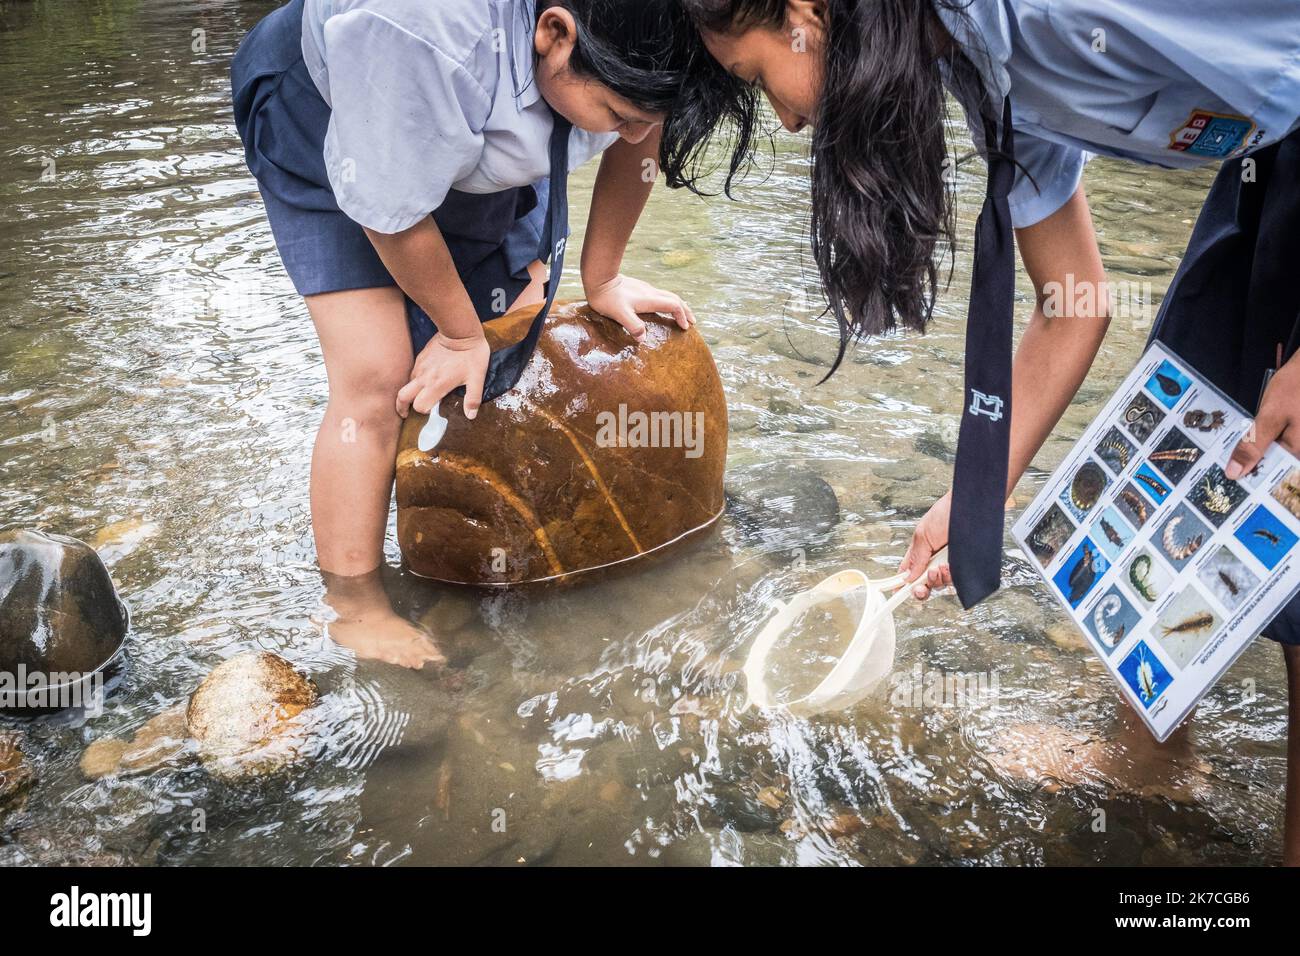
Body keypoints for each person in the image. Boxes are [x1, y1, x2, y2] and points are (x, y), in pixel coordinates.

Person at [664, 0, 1300, 863]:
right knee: (1187, 436)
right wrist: (972, 499)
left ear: (805, 16)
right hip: (1261, 168)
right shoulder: (978, 70)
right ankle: (1151, 755)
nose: (784, 117)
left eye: (755, 76)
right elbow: (1073, 302)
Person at [231, 0, 722, 666]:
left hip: (484, 104)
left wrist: (602, 277)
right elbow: (391, 213)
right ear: (556, 34)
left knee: (512, 314)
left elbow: (644, 134)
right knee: (378, 375)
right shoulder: (417, 33)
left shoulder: (630, 49)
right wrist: (461, 334)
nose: (634, 132)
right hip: (327, 106)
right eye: (619, 116)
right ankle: (355, 609)